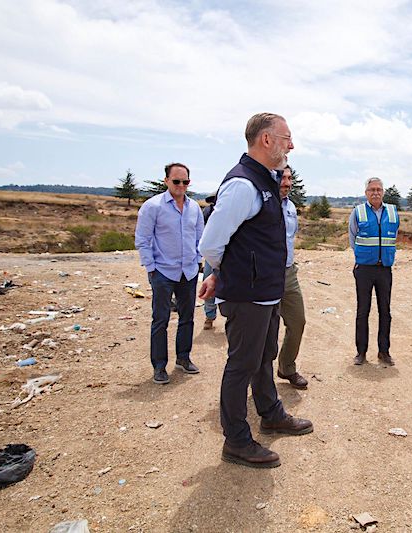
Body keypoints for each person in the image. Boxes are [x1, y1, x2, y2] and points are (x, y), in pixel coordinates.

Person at [198, 113, 313, 469]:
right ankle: (235, 440)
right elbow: (212, 243)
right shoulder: (243, 185)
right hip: (247, 294)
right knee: (241, 364)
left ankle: (271, 412)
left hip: (265, 291)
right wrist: (220, 272)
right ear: (266, 140)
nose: (291, 145)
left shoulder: (265, 180)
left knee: (264, 355)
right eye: (286, 138)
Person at [134, 162, 203, 385]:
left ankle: (183, 358)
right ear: (166, 181)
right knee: (160, 319)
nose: (181, 185)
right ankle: (159, 366)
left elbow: (200, 238)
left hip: (188, 272)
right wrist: (151, 268)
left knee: (187, 317)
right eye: (176, 181)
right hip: (163, 272)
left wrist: (198, 261)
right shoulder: (152, 207)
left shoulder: (194, 208)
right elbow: (142, 240)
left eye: (185, 182)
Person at [348, 177, 400, 366]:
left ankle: (384, 351)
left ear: (383, 192)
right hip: (364, 269)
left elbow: (393, 236)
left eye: (378, 189)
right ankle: (361, 352)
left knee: (385, 311)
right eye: (371, 190)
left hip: (384, 269)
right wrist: (363, 256)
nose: (375, 192)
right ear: (366, 193)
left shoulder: (393, 212)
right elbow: (352, 237)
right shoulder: (358, 212)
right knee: (363, 310)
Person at [276, 165, 308, 389]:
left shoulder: (291, 207)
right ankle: (258, 378)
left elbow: (291, 236)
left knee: (297, 321)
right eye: (282, 178)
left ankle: (286, 367)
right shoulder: (260, 203)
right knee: (264, 330)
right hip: (265, 275)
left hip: (288, 272)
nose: (286, 183)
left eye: (289, 178)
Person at [201, 192, 218, 330]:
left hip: (231, 254)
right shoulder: (208, 212)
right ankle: (209, 316)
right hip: (212, 255)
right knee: (209, 283)